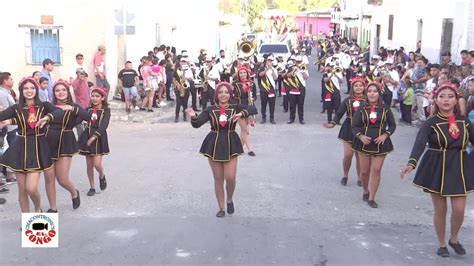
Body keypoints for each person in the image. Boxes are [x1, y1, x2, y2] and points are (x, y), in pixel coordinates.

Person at [400, 83, 474, 257]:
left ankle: (454, 239)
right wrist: (411, 163)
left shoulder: (464, 121)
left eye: (450, 96)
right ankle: (441, 244)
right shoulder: (430, 123)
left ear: (456, 100)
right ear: (436, 100)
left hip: (459, 167)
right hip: (437, 166)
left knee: (459, 209)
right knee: (440, 209)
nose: (446, 99)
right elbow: (419, 144)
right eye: (442, 96)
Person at [185, 82, 257, 217]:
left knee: (230, 177)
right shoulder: (210, 109)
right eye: (220, 92)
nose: (223, 95)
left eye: (226, 92)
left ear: (230, 94)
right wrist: (194, 116)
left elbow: (252, 109)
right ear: (216, 95)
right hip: (214, 142)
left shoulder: (235, 107)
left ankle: (229, 199)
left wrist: (241, 113)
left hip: (231, 142)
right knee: (218, 178)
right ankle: (221, 208)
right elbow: (197, 124)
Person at [0, 77, 59, 213]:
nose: (29, 90)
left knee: (31, 187)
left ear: (36, 90)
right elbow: (8, 117)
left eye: (32, 88)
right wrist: (7, 121)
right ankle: (26, 219)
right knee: (22, 189)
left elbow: (58, 112)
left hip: (37, 148)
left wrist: (47, 118)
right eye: (26, 88)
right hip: (19, 148)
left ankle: (38, 208)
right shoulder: (16, 108)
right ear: (21, 91)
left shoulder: (44, 106)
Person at [42, 80, 90, 212]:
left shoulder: (74, 106)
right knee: (49, 178)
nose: (60, 92)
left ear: (67, 92)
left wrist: (73, 108)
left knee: (62, 179)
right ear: (54, 93)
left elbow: (88, 117)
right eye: (57, 90)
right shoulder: (48, 106)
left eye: (63, 89)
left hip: (65, 143)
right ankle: (53, 207)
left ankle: (74, 192)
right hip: (48, 142)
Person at [352, 82, 396, 208]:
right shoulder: (361, 109)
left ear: (379, 93)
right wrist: (360, 136)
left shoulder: (385, 108)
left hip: (380, 144)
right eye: (370, 91)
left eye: (375, 91)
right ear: (366, 93)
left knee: (376, 170)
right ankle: (366, 191)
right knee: (365, 172)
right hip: (364, 144)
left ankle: (372, 198)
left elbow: (392, 125)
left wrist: (385, 135)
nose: (372, 93)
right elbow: (355, 126)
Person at [324, 76, 366, 186]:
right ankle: (345, 175)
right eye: (356, 86)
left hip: (363, 130)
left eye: (360, 85)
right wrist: (332, 123)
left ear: (364, 87)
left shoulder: (368, 101)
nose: (358, 87)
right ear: (353, 87)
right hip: (348, 128)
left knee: (359, 156)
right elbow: (339, 113)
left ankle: (360, 178)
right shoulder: (348, 100)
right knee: (348, 155)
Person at [78, 87, 110, 197]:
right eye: (93, 96)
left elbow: (104, 126)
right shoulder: (88, 109)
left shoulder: (106, 110)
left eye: (97, 96)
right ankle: (92, 187)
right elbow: (78, 119)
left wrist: (93, 138)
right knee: (89, 164)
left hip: (99, 138)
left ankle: (101, 175)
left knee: (97, 164)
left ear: (102, 98)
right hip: (87, 137)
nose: (94, 98)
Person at [231, 65, 257, 156]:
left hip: (248, 107)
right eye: (240, 72)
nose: (242, 74)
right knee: (245, 129)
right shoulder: (234, 84)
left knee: (245, 130)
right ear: (238, 74)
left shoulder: (252, 83)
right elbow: (232, 98)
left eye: (244, 72)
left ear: (247, 73)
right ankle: (250, 149)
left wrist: (251, 96)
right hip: (239, 108)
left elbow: (255, 96)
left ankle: (239, 149)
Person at [287, 56, 309, 124]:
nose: (298, 63)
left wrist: (301, 70)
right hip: (293, 88)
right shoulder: (291, 67)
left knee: (300, 105)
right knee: (292, 105)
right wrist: (294, 70)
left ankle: (301, 119)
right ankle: (291, 118)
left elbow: (306, 77)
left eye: (299, 62)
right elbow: (288, 76)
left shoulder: (304, 67)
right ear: (295, 61)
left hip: (301, 88)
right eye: (297, 62)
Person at [258, 55, 278, 124]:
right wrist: (267, 69)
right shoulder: (262, 68)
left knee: (272, 105)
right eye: (268, 61)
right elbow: (260, 75)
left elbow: (275, 78)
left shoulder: (274, 69)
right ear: (266, 61)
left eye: (271, 61)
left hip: (272, 89)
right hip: (263, 89)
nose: (269, 62)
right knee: (263, 104)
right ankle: (263, 118)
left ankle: (272, 118)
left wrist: (272, 70)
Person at [173, 57, 192, 122]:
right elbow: (174, 79)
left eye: (184, 62)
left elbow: (191, 79)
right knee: (178, 103)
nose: (183, 63)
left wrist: (185, 78)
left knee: (185, 103)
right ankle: (176, 117)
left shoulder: (188, 70)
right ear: (180, 62)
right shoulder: (177, 70)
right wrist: (177, 84)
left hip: (186, 87)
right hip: (178, 88)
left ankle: (184, 116)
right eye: (182, 61)